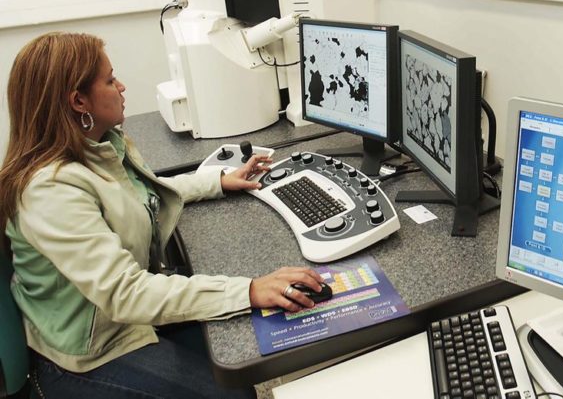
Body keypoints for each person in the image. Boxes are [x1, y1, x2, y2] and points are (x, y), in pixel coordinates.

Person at [0, 32, 324, 399]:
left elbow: (138, 195)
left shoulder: (98, 147)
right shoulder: (50, 190)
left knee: (246, 338)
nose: (121, 87)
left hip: (123, 319)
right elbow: (125, 293)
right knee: (233, 393)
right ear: (78, 101)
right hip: (89, 354)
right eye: (109, 80)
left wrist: (217, 180)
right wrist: (247, 289)